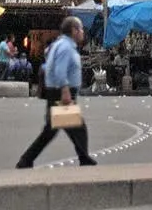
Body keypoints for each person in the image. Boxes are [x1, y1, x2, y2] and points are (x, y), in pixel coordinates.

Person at [16, 16, 97, 169]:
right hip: (62, 92)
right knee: (74, 128)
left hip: (58, 91)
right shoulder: (65, 47)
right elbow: (60, 71)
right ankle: (26, 160)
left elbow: (48, 56)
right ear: (73, 31)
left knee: (59, 129)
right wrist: (65, 90)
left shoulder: (60, 44)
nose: (82, 32)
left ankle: (26, 160)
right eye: (80, 29)